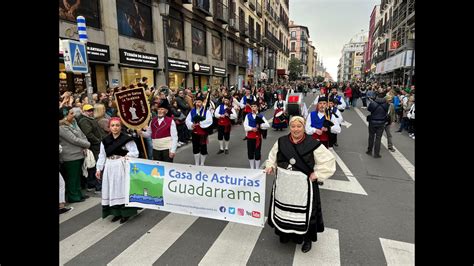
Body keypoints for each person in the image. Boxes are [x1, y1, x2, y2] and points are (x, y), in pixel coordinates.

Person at [265, 116, 336, 253]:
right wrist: (270, 167)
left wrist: (317, 174)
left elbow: (328, 161)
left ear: (304, 127)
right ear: (289, 127)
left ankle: (307, 239)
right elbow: (272, 157)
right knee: (284, 211)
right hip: (284, 186)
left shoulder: (313, 143)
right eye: (293, 126)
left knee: (307, 214)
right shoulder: (281, 141)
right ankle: (285, 234)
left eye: (299, 126)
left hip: (303, 187)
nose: (296, 129)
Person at [95, 117, 140, 224]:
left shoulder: (126, 139)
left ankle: (125, 213)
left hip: (121, 165)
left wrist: (126, 156)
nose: (115, 128)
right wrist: (99, 169)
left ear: (121, 127)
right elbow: (102, 155)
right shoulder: (105, 141)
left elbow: (135, 152)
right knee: (112, 189)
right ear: (109, 127)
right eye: (113, 125)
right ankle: (116, 212)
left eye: (117, 125)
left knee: (122, 188)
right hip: (110, 166)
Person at [59, 107, 91, 203]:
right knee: (72, 177)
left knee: (77, 176)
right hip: (70, 155)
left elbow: (81, 135)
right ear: (64, 116)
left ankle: (78, 193)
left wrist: (85, 142)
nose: (73, 115)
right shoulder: (61, 127)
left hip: (79, 153)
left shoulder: (74, 123)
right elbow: (73, 139)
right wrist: (87, 144)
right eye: (70, 113)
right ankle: (73, 196)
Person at [185, 94, 213, 165]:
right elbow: (187, 120)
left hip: (203, 132)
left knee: (203, 148)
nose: (198, 104)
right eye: (197, 102)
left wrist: (201, 123)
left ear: (202, 103)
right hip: (194, 132)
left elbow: (210, 120)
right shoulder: (192, 111)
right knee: (195, 147)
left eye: (199, 102)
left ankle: (202, 163)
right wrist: (191, 124)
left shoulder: (206, 111)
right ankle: (197, 163)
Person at [244, 100, 270, 169]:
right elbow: (245, 126)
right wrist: (252, 129)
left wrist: (260, 126)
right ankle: (252, 168)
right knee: (250, 153)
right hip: (250, 137)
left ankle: (257, 168)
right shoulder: (248, 116)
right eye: (252, 106)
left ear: (257, 107)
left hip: (257, 138)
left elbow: (267, 125)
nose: (253, 108)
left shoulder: (260, 116)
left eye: (254, 106)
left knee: (257, 153)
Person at [366, 92, 390, 158]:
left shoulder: (373, 103)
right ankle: (376, 154)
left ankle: (369, 150)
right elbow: (387, 111)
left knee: (371, 136)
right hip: (381, 122)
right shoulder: (386, 104)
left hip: (372, 122)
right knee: (378, 138)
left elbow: (369, 109)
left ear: (377, 97)